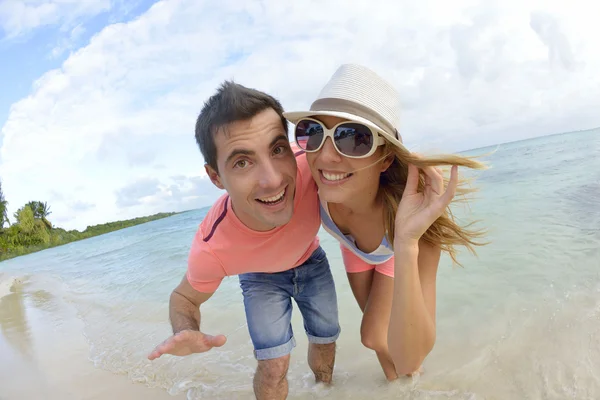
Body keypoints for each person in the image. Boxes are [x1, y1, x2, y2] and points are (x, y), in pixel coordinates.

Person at [283, 64, 487, 381]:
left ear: (386, 158)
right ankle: (398, 389)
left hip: (392, 248)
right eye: (312, 132)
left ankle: (413, 384)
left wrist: (406, 245)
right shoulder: (305, 169)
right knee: (381, 342)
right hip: (353, 248)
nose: (325, 157)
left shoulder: (416, 225)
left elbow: (410, 355)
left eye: (353, 138)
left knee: (376, 337)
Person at [147, 81, 341, 400]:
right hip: (259, 278)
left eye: (278, 149)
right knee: (273, 365)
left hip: (312, 261)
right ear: (216, 177)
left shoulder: (313, 166)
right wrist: (185, 330)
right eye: (242, 162)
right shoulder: (213, 245)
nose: (273, 180)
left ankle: (324, 392)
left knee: (325, 340)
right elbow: (184, 298)